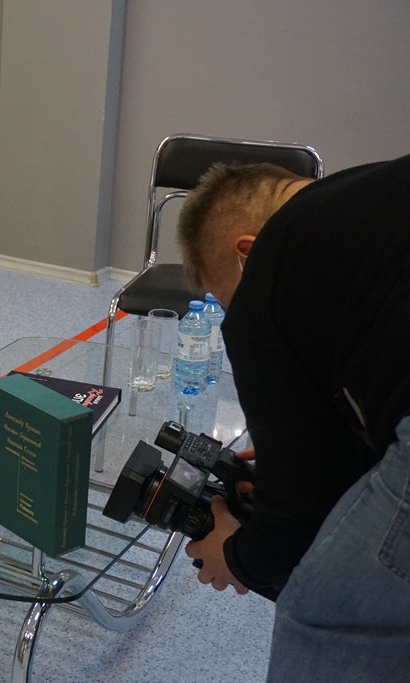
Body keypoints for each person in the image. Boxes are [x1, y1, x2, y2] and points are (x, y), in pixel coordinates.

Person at [176, 156, 410, 680]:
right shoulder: (372, 192)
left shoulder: (269, 269)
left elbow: (298, 517)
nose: (236, 313)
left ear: (246, 253)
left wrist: (235, 557)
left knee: (325, 616)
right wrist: (299, 442)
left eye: (227, 300)